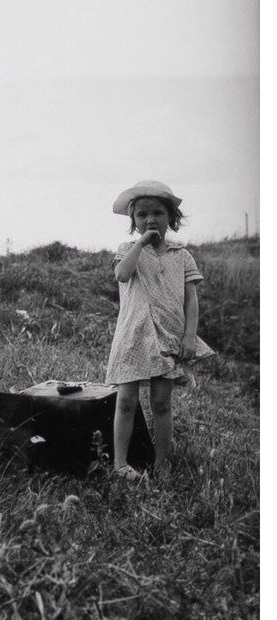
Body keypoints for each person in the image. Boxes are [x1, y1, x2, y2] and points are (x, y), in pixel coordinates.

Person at [106, 180, 208, 477]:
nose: (150, 219)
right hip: (133, 336)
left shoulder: (182, 255)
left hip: (168, 335)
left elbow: (191, 300)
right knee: (126, 401)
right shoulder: (128, 249)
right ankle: (120, 464)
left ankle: (161, 464)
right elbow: (122, 275)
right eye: (142, 215)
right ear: (133, 222)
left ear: (171, 218)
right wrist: (140, 243)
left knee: (162, 403)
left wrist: (189, 336)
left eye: (158, 213)